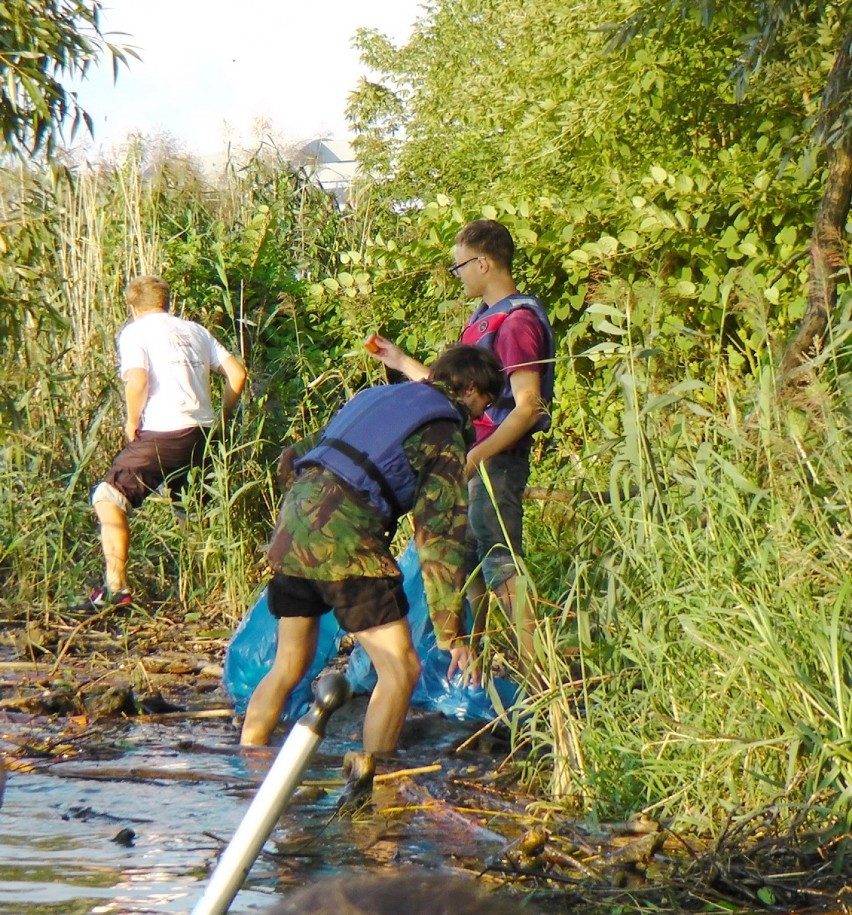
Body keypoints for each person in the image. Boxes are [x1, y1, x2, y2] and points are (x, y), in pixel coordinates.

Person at [239, 344, 504, 758]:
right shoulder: (442, 430)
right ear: (469, 388)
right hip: (345, 540)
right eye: (481, 407)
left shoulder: (376, 398)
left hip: (292, 527)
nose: (477, 419)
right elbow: (441, 536)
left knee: (289, 664)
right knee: (401, 669)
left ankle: (247, 764)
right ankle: (373, 784)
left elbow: (294, 455)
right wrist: (452, 634)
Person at [367, 219, 555, 670]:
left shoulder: (516, 324)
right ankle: (482, 665)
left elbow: (528, 406)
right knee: (466, 563)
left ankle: (537, 673)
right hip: (471, 460)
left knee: (500, 560)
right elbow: (451, 392)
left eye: (461, 267)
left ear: (484, 263)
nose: (459, 276)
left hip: (495, 463)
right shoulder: (482, 320)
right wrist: (399, 361)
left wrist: (475, 456)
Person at [73, 275, 247, 611]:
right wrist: (221, 419)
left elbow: (138, 380)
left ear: (132, 306)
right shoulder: (196, 330)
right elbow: (237, 374)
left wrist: (132, 419)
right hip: (202, 433)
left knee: (109, 497)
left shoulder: (136, 332)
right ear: (166, 301)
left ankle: (117, 588)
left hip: (164, 431)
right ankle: (205, 591)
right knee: (191, 511)